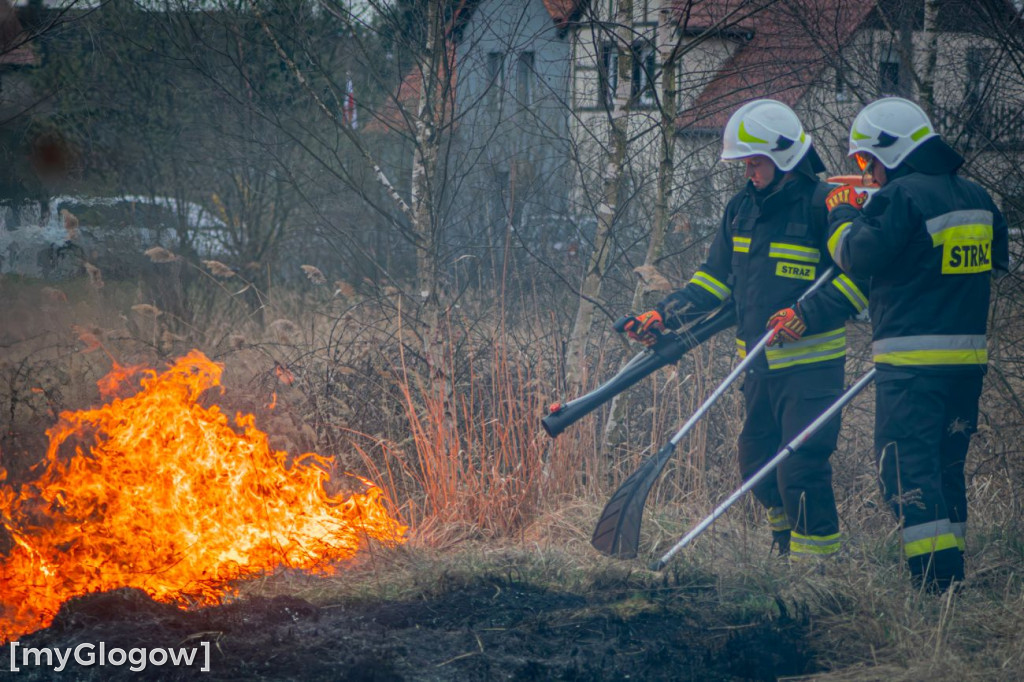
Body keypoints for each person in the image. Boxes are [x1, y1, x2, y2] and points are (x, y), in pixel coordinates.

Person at [626, 99, 869, 560]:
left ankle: (815, 570)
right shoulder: (741, 210)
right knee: (756, 465)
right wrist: (664, 313)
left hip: (812, 370)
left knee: (799, 467)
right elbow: (713, 281)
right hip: (757, 365)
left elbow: (859, 284)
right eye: (743, 163)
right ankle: (784, 547)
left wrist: (807, 315)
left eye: (754, 163)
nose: (747, 173)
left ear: (783, 158)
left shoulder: (823, 207)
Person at [825, 97, 1009, 591]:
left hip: (911, 366)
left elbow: (854, 255)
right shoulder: (976, 196)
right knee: (948, 467)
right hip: (968, 364)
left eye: (866, 160)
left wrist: (843, 214)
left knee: (905, 472)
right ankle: (955, 573)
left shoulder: (898, 197)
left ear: (893, 151)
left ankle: (934, 583)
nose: (866, 172)